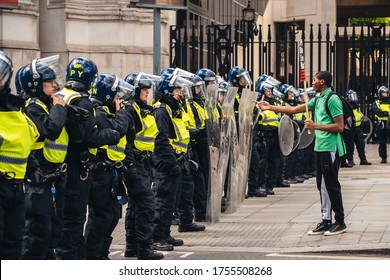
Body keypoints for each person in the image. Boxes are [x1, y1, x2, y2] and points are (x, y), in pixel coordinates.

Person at [258, 71, 347, 236]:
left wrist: (315, 126)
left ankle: (340, 221)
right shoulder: (318, 99)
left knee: (331, 185)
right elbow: (292, 109)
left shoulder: (332, 99)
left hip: (330, 147)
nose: (312, 83)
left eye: (314, 80)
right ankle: (326, 220)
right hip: (320, 147)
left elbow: (339, 126)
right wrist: (270, 107)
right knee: (322, 185)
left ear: (322, 82)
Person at [56, 57, 121, 259]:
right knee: (74, 221)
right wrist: (113, 134)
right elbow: (87, 137)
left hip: (58, 164)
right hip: (76, 168)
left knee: (63, 220)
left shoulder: (61, 95)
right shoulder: (82, 100)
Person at [15, 55, 68, 260]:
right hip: (38, 178)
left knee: (52, 230)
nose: (54, 86)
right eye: (49, 83)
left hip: (51, 177)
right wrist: (59, 108)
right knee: (37, 232)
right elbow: (50, 129)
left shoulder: (46, 105)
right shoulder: (33, 106)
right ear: (35, 85)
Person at [85, 74, 131, 260]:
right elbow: (119, 129)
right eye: (115, 96)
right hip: (100, 174)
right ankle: (93, 256)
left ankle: (102, 252)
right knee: (101, 216)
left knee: (111, 215)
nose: (118, 100)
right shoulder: (100, 112)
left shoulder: (106, 111)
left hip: (110, 172)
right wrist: (121, 112)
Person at [0, 51, 39, 259]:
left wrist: (33, 166)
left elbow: (27, 143)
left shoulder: (17, 110)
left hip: (17, 187)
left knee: (13, 244)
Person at [123, 72, 165, 259]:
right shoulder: (131, 110)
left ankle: (132, 247)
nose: (147, 94)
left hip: (145, 162)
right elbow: (128, 140)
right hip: (136, 163)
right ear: (135, 91)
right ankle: (144, 249)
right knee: (147, 205)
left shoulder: (143, 109)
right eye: (144, 91)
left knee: (135, 205)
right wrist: (131, 164)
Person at [344, 89, 371, 166]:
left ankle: (363, 159)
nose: (354, 98)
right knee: (350, 145)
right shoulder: (347, 106)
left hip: (358, 128)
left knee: (361, 144)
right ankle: (350, 160)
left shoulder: (357, 107)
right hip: (350, 128)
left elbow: (360, 116)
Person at [372, 85, 390, 164]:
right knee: (382, 142)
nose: (386, 94)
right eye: (384, 93)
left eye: (387, 93)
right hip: (381, 124)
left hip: (389, 123)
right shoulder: (376, 103)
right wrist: (387, 113)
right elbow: (378, 112)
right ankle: (383, 158)